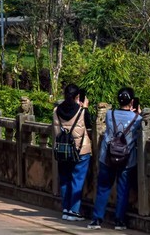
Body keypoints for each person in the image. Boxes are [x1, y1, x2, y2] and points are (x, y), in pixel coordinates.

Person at [89, 88, 142, 230]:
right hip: (127, 159)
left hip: (107, 157)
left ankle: (96, 220)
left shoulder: (108, 114)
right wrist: (137, 113)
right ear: (132, 102)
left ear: (119, 100)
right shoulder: (137, 119)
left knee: (103, 188)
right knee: (123, 190)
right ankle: (119, 221)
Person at [53, 84, 92, 222]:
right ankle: (74, 211)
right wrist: (85, 107)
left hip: (63, 150)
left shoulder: (57, 110)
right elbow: (90, 125)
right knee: (77, 180)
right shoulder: (82, 111)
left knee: (64, 179)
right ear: (77, 97)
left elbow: (57, 132)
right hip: (80, 151)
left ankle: (65, 209)